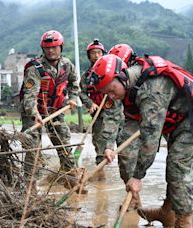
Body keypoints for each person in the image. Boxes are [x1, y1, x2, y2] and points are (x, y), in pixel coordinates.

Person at [91, 54, 193, 227]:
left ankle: (184, 221)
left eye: (111, 90)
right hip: (179, 121)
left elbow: (150, 139)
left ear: (121, 76)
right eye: (105, 93)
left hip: (188, 121)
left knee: (177, 167)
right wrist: (109, 146)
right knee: (173, 167)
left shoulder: (150, 90)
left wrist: (137, 177)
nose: (111, 96)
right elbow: (128, 126)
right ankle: (168, 213)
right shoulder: (130, 87)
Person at [19, 30, 85, 192]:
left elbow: (74, 83)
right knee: (33, 148)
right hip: (33, 113)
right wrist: (35, 114)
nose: (51, 51)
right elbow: (29, 96)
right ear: (43, 49)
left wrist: (72, 98)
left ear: (60, 47)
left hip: (56, 109)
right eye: (47, 48)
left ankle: (71, 180)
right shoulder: (35, 69)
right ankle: (29, 187)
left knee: (64, 143)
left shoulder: (67, 65)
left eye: (54, 47)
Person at [79, 39, 123, 181]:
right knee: (99, 140)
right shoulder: (87, 76)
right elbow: (82, 92)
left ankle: (126, 170)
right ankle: (100, 172)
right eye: (93, 53)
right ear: (89, 56)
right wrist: (90, 103)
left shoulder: (113, 71)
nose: (96, 55)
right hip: (97, 113)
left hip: (114, 110)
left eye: (99, 52)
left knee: (120, 139)